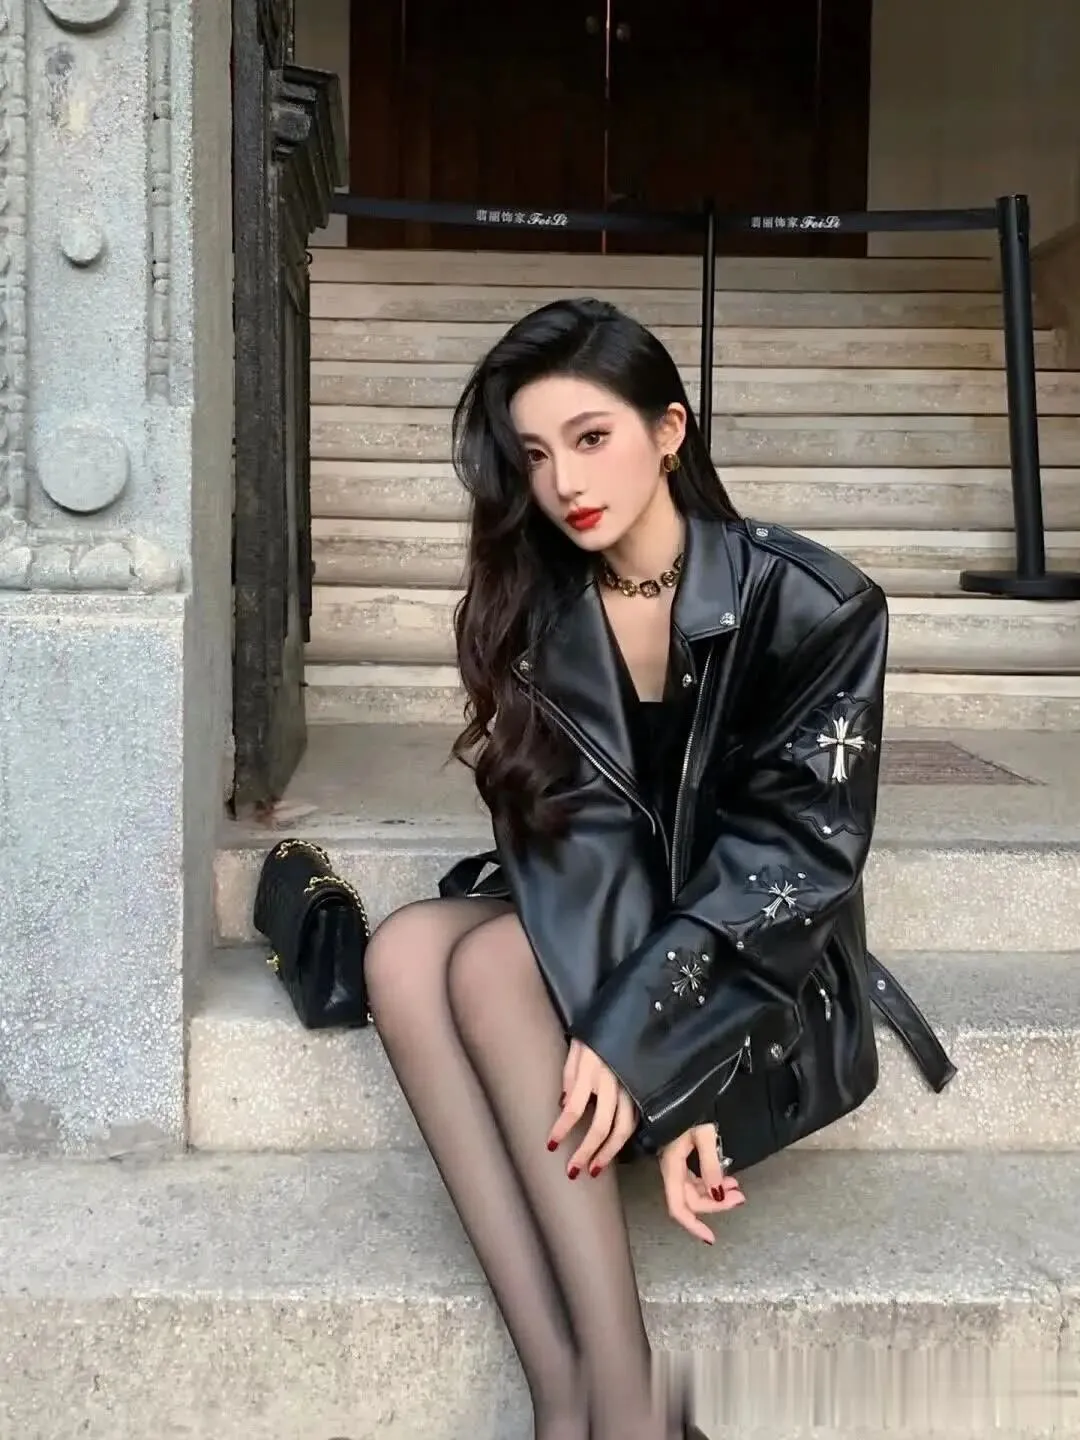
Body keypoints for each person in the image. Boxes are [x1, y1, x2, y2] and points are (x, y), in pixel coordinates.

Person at [363, 297, 889, 1440]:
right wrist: (628, 1028)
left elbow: (795, 854)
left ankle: (626, 1400)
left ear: (668, 430)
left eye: (591, 437)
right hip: (607, 914)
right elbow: (579, 842)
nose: (564, 483)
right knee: (401, 955)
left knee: (490, 968)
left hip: (752, 957)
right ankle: (570, 1399)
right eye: (535, 454)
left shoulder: (814, 602)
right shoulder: (541, 605)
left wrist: (666, 1055)